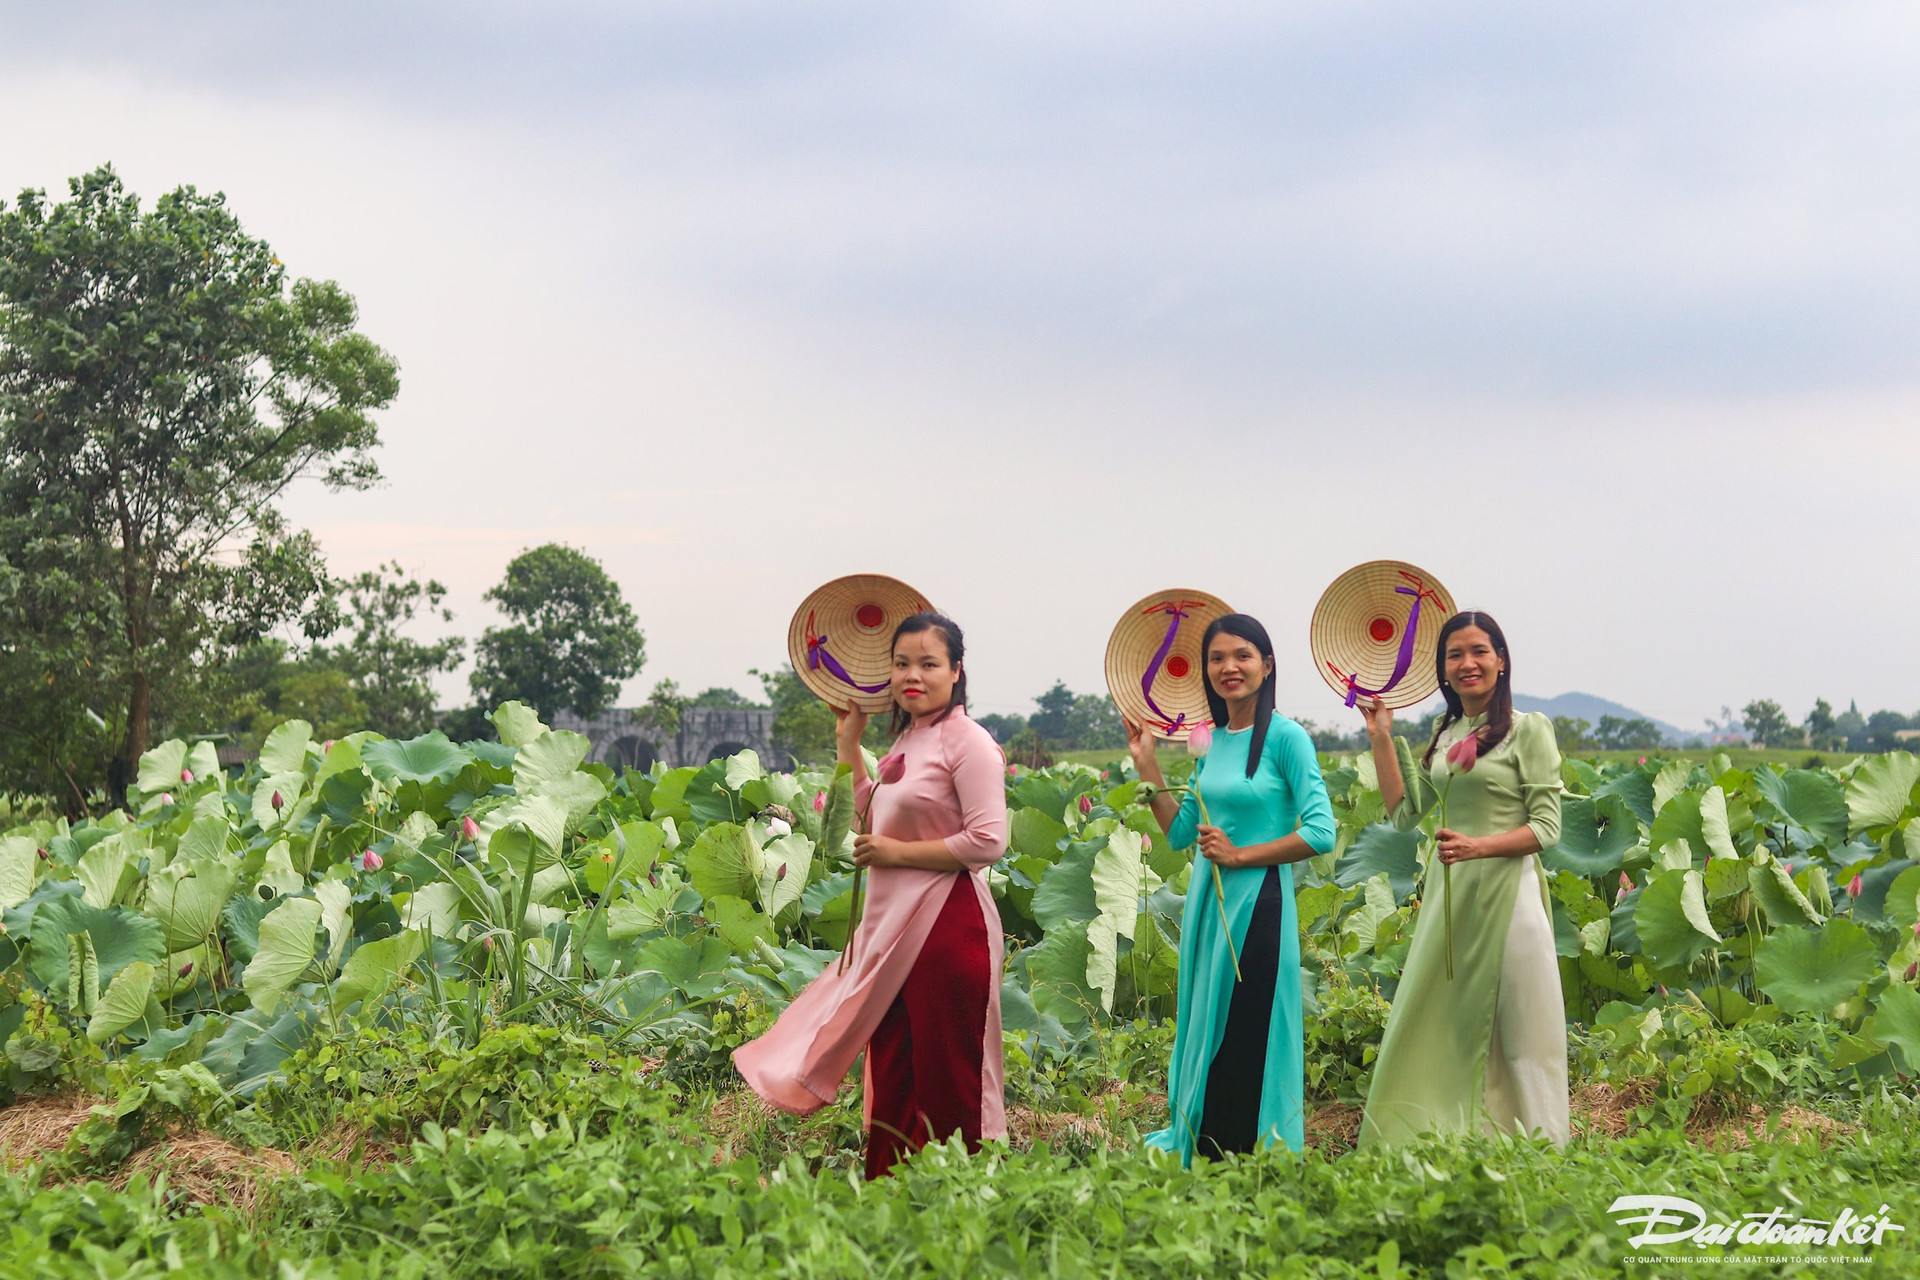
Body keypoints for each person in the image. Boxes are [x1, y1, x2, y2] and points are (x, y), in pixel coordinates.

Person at [733, 611, 1008, 1179]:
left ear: (956, 672)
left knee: (947, 1069)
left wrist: (896, 854)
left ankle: (959, 1194)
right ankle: (892, 1191)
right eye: (902, 663)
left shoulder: (970, 742)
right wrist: (848, 745)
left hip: (946, 926)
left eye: (929, 664)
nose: (913, 676)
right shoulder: (910, 738)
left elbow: (989, 840)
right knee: (894, 1062)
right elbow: (868, 816)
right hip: (891, 928)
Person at [1126, 613, 1336, 1164]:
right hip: (1206, 903)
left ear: (1267, 665)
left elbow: (1320, 831)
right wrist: (1147, 766)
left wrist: (1240, 855)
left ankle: (1245, 1147)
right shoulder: (1210, 742)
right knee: (1209, 1016)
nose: (1229, 667)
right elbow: (1179, 833)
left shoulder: (1287, 738)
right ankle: (1208, 1139)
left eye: (1242, 655)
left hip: (1259, 902)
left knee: (1247, 1019)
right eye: (1217, 658)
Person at [1356, 610, 1568, 1148]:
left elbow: (1546, 828)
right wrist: (1382, 736)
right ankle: (1439, 1139)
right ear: (1443, 670)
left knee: (1519, 1033)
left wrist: (1478, 847)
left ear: (1501, 660)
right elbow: (1406, 815)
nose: (1467, 663)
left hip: (1509, 893)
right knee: (1437, 1024)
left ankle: (1538, 1147)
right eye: (1455, 655)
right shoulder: (1446, 732)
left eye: (1479, 651)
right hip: (1450, 899)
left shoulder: (1530, 729)